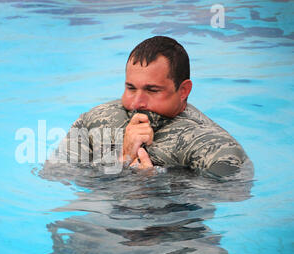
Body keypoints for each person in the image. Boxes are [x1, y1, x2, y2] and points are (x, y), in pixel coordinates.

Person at [51, 36, 249, 178]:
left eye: (152, 90)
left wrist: (154, 184)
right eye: (130, 88)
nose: (137, 103)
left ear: (183, 90)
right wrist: (122, 159)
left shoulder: (214, 146)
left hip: (172, 232)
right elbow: (55, 175)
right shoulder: (96, 119)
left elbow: (233, 194)